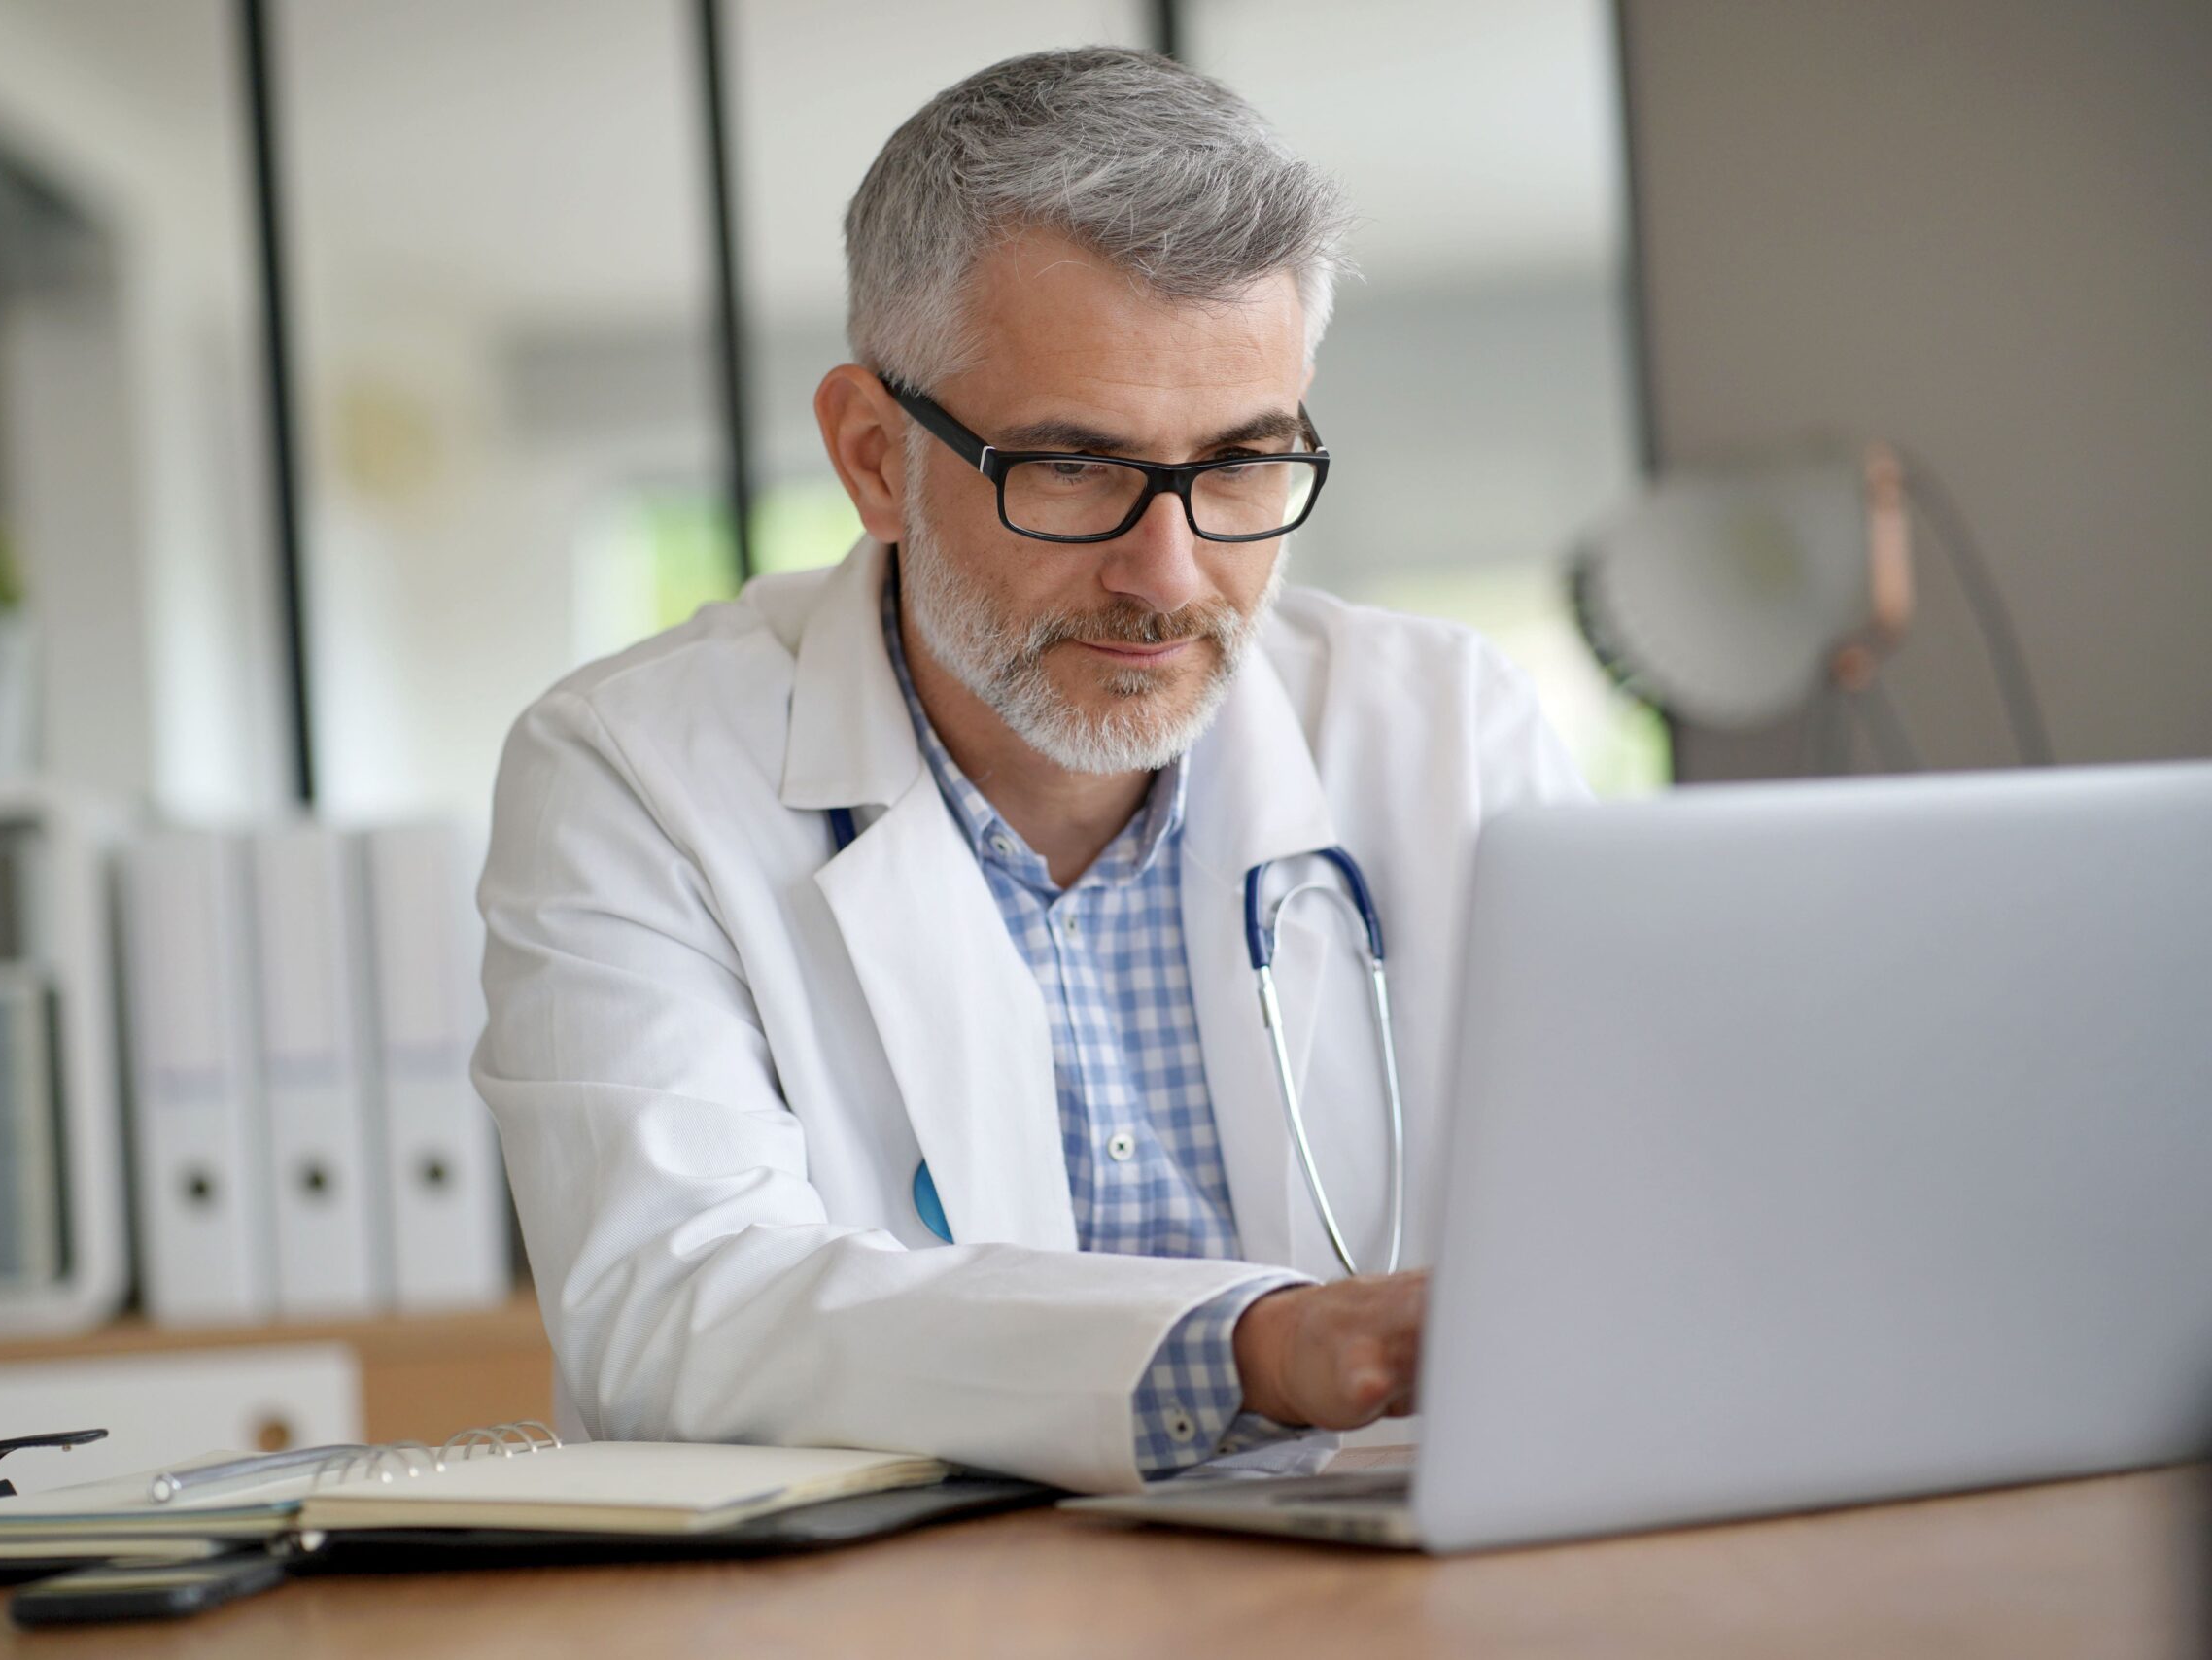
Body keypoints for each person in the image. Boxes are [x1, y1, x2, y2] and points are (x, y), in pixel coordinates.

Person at [474, 46, 1589, 1493]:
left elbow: (1633, 1211)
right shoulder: (631, 771)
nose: (1170, 575)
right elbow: (680, 1310)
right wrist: (1256, 1348)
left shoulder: (1448, 726)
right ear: (877, 457)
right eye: (1072, 468)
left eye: (1243, 463)